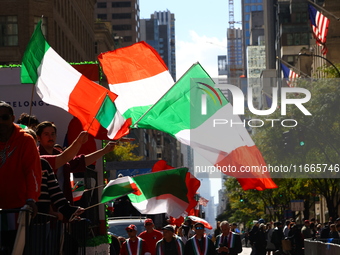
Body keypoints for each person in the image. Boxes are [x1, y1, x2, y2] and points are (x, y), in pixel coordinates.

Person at [35, 121, 116, 204]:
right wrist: (78, 142)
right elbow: (64, 158)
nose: (50, 137)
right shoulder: (37, 156)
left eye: (53, 134)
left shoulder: (59, 153)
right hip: (46, 206)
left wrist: (103, 151)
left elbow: (80, 162)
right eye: (46, 134)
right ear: (38, 138)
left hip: (63, 203)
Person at [0, 101, 42, 253]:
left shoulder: (25, 140)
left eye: (4, 117)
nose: (1, 122)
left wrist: (31, 199)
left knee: (16, 249)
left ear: (12, 118)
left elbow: (32, 172)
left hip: (18, 210)